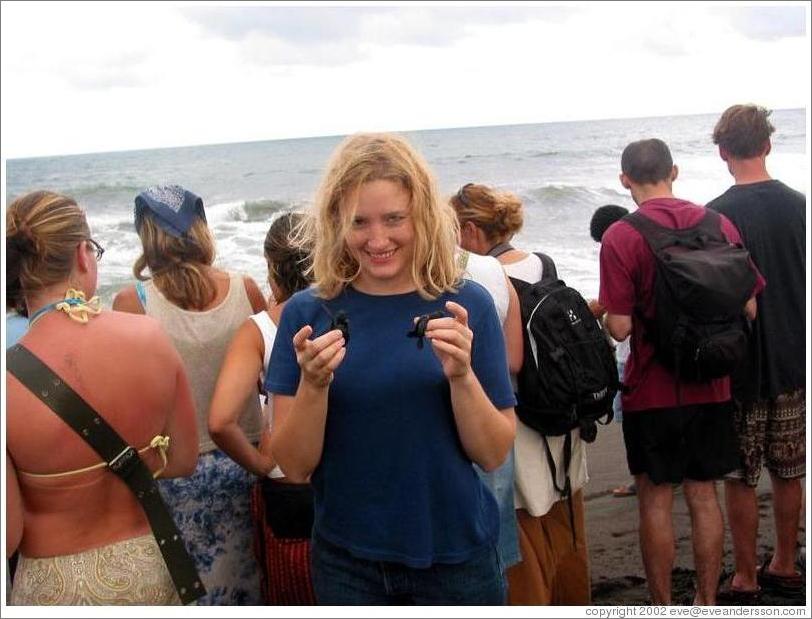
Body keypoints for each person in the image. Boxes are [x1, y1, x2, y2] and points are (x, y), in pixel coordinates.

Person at [265, 133, 516, 605]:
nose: (377, 240)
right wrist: (315, 385)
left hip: (456, 559)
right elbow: (295, 467)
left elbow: (493, 453)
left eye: (394, 219)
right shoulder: (306, 314)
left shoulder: (466, 304)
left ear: (422, 215)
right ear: (335, 223)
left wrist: (461, 376)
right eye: (359, 222)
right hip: (347, 562)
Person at [6, 190, 198, 604]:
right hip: (148, 570)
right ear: (82, 254)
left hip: (53, 585)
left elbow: (7, 533)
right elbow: (183, 460)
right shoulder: (147, 337)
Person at [598, 138, 763, 605]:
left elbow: (621, 326)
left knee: (655, 499)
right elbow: (749, 305)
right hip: (713, 386)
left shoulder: (622, 236)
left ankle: (663, 604)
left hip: (652, 392)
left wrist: (604, 316)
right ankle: (706, 602)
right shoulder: (720, 223)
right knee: (704, 494)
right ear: (675, 170)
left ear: (624, 180)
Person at [113, 185, 266, 605]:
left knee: (189, 590)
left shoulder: (133, 302)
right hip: (246, 459)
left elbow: (130, 401)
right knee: (251, 583)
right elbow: (267, 383)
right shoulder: (246, 289)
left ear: (147, 235)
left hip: (175, 471)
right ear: (200, 228)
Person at [450, 183, 591, 605]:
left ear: (471, 230)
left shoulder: (482, 276)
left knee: (527, 543)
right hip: (565, 415)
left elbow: (510, 364)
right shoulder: (543, 263)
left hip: (522, 422)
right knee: (568, 529)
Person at [707, 105, 806, 602]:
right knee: (790, 467)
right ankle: (786, 562)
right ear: (768, 145)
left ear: (723, 151)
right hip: (793, 357)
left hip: (739, 364)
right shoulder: (800, 207)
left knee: (741, 474)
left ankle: (745, 574)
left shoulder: (714, 214)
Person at [208, 212, 316, 604]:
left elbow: (220, 421)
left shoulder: (261, 328)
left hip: (288, 484)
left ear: (272, 266)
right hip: (347, 477)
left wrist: (261, 464)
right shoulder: (353, 310)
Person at [457, 246, 524, 573]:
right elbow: (513, 360)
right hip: (495, 408)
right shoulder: (492, 270)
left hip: (453, 420)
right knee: (494, 546)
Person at [588, 204, 636, 499]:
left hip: (630, 355)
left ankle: (640, 478)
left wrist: (593, 311)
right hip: (643, 351)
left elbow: (612, 310)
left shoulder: (620, 254)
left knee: (629, 421)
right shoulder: (643, 246)